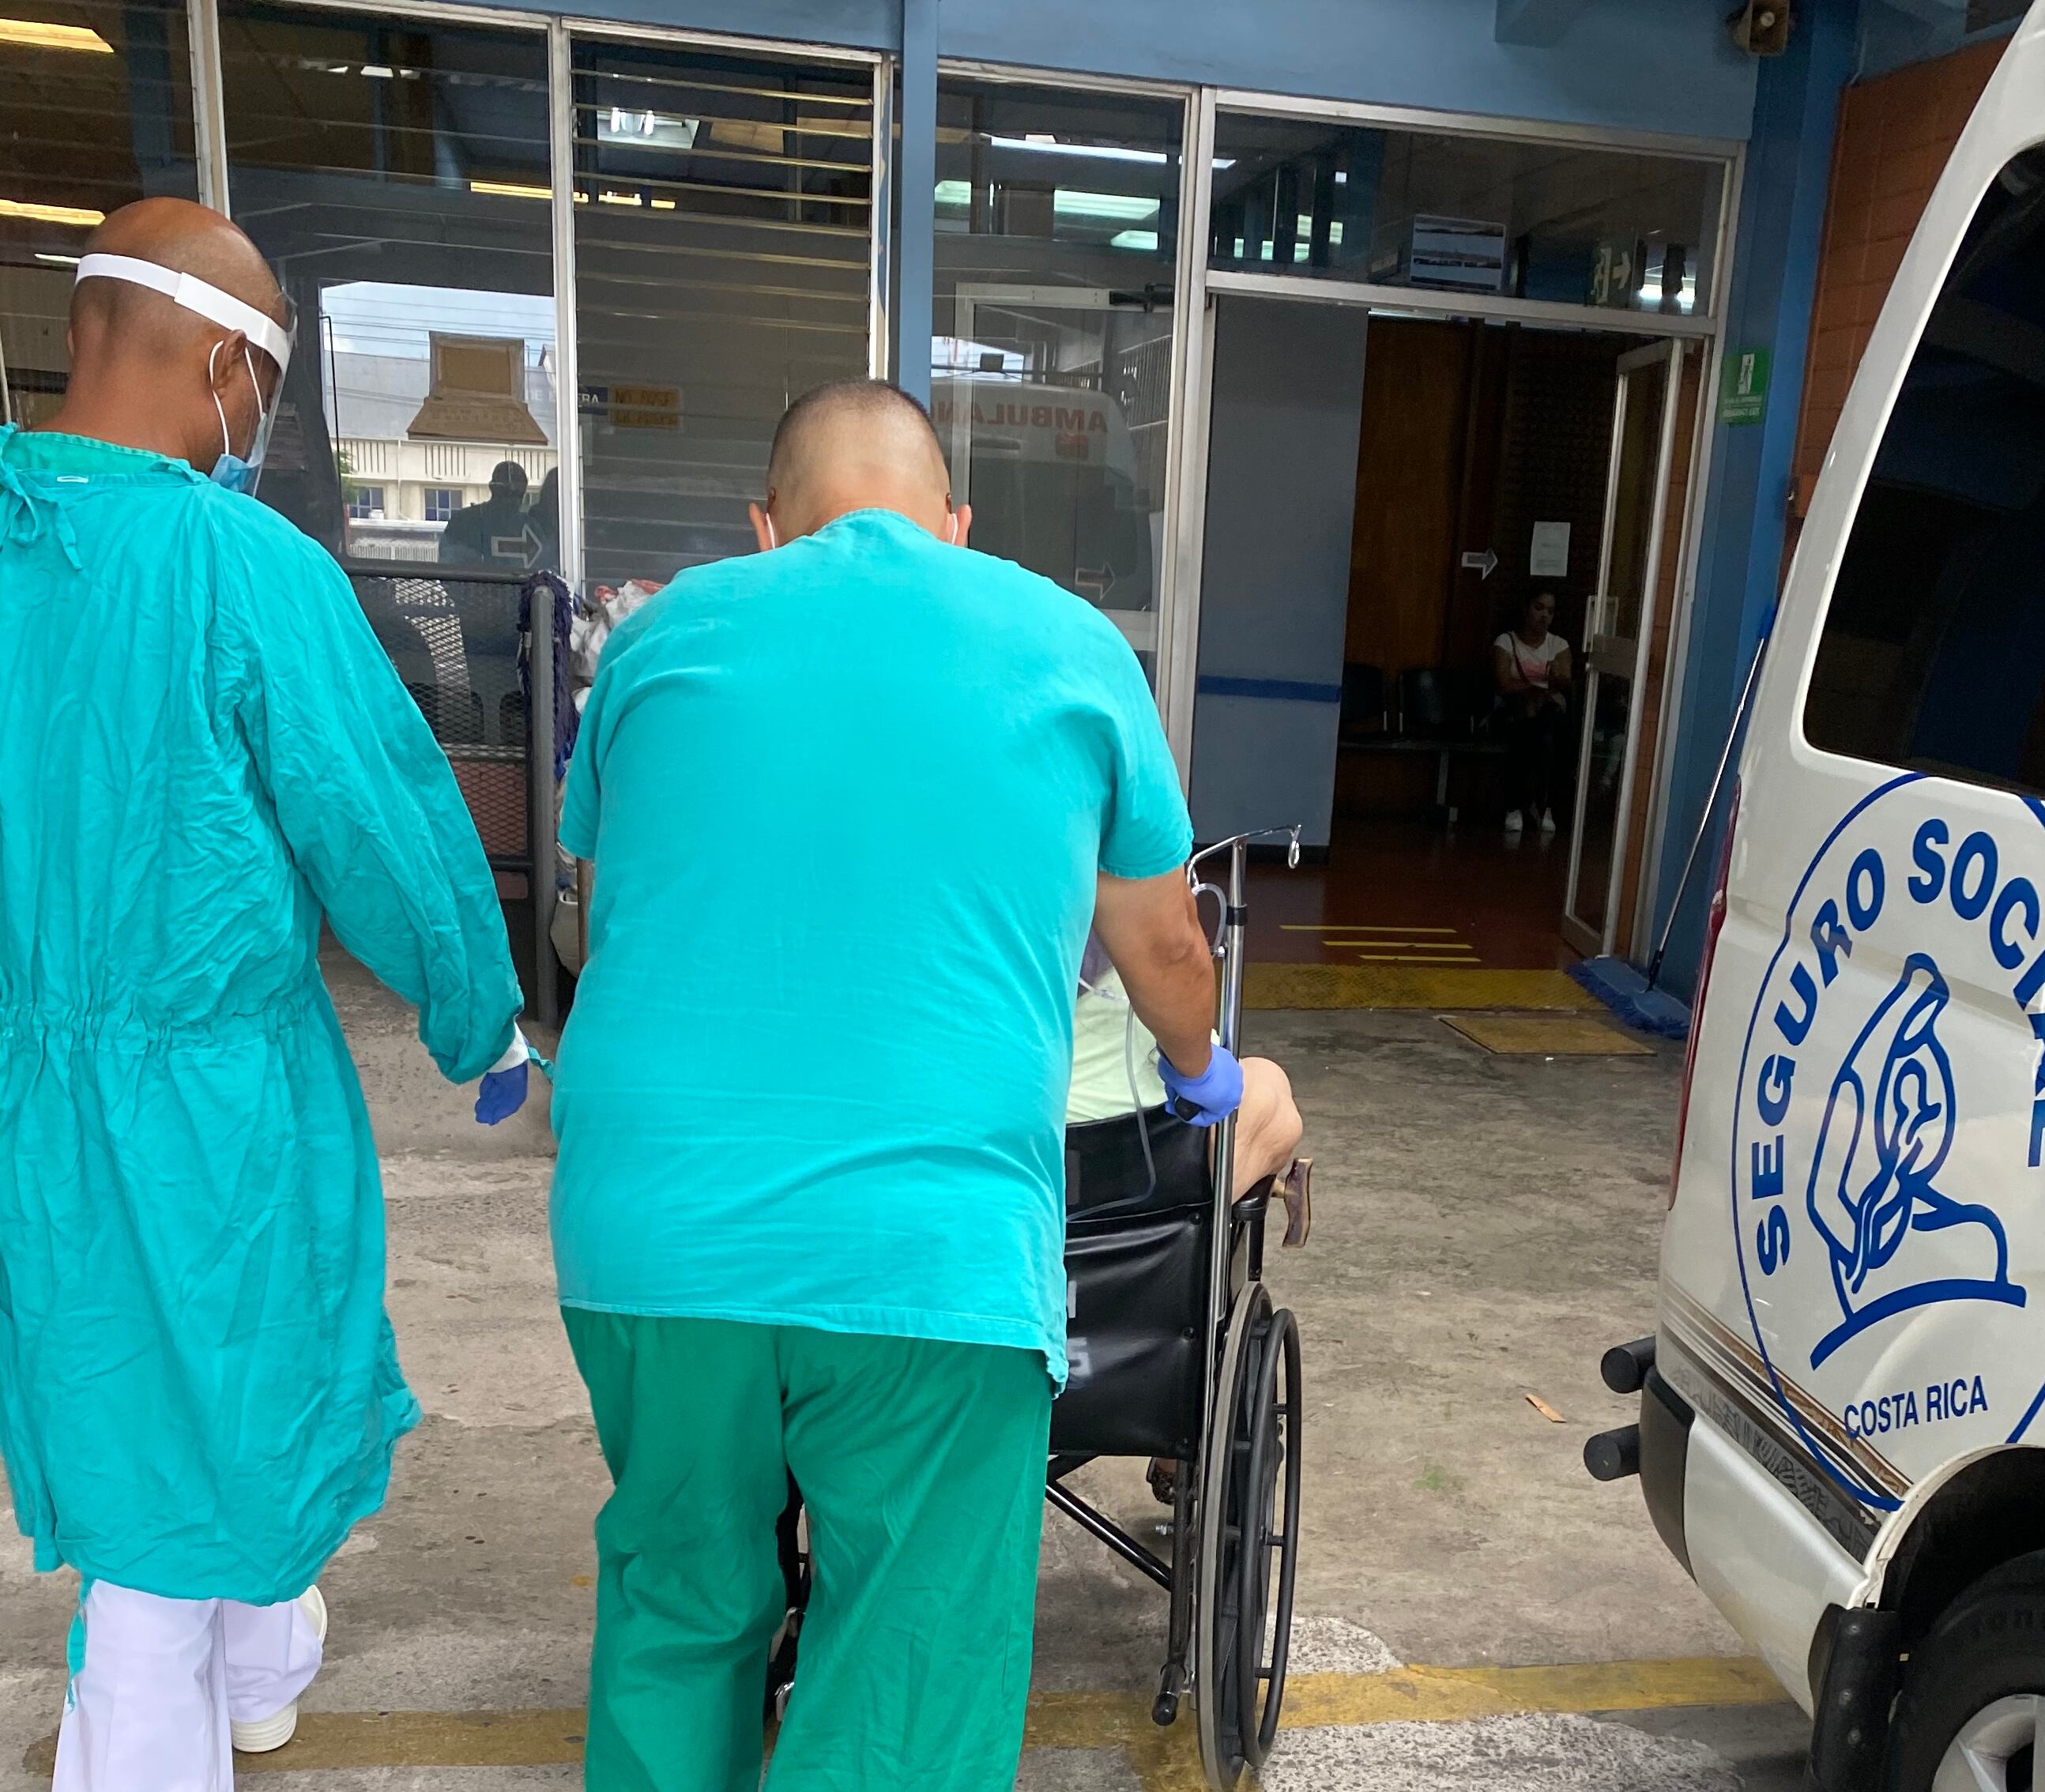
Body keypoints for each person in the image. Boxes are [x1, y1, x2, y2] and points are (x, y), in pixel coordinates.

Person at [549, 378, 1234, 1792]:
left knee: (679, 1597)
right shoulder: (1064, 639)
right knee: (906, 1664)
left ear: (765, 524)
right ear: (956, 522)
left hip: (650, 1235)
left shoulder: (654, 639)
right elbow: (1160, 937)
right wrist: (1198, 1065)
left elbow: (603, 914)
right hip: (928, 1256)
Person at [0, 198, 533, 1792]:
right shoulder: (242, 569)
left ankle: (255, 1666)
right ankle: (157, 1726)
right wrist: (478, 1013)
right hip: (213, 1110)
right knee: (198, 1443)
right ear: (232, 367)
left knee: (125, 1398)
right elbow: (381, 818)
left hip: (32, 1099)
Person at [1069, 934, 1305, 1198]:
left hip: (1029, 1148)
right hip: (1142, 1168)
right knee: (1264, 1080)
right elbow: (1174, 952)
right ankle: (1237, 1186)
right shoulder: (1125, 930)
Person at [1493, 589, 1576, 835]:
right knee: (1530, 734)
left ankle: (1543, 804)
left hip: (1549, 716)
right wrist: (1539, 688)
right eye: (1539, 608)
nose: (1544, 616)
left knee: (1553, 732)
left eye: (1550, 611)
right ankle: (1527, 805)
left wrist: (1553, 681)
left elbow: (1565, 680)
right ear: (1526, 608)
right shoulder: (1506, 642)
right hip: (1517, 713)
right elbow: (1504, 683)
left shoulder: (1559, 645)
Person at [437, 457, 531, 567]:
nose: (511, 500)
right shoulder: (463, 522)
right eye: (506, 493)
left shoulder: (531, 527)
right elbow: (448, 572)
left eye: (516, 494)